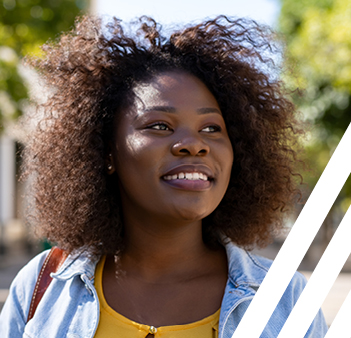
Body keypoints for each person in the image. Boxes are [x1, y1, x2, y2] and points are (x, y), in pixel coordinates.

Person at [0, 15, 327, 337]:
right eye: (160, 126)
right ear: (107, 152)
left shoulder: (286, 299)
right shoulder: (42, 287)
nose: (194, 145)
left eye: (212, 128)